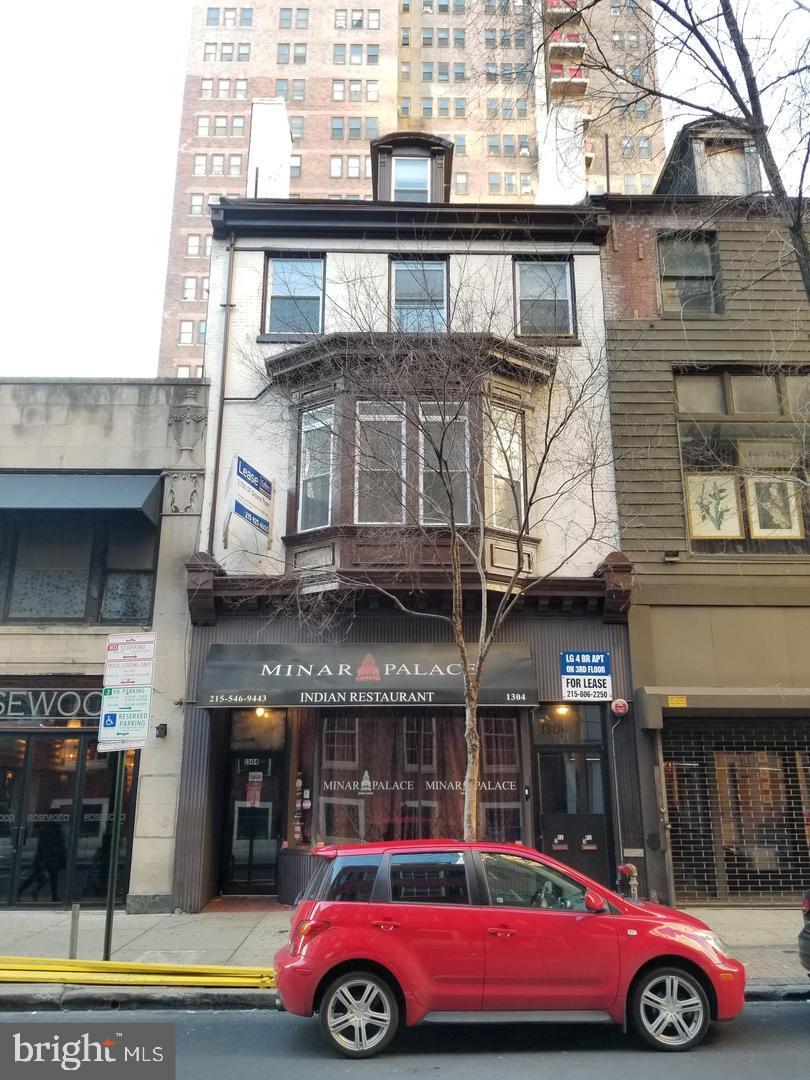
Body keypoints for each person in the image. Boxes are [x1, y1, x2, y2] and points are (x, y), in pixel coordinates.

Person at [17, 821, 66, 903]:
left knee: (45, 877)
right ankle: (20, 892)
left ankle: (52, 895)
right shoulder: (51, 830)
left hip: (48, 857)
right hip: (46, 857)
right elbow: (46, 846)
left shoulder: (52, 829)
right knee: (40, 877)